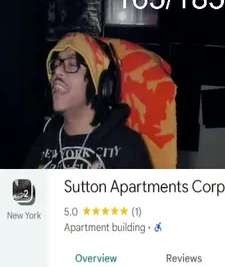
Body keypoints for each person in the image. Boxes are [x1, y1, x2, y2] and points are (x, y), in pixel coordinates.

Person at [25, 34, 153, 169]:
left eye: (72, 65)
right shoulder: (43, 143)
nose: (56, 71)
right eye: (54, 65)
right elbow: (19, 184)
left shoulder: (128, 146)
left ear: (100, 84)